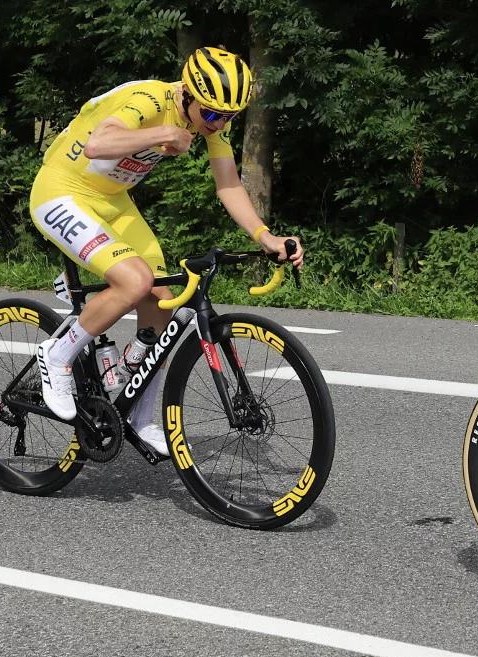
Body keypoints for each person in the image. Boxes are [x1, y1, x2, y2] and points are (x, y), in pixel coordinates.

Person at [30, 46, 304, 456]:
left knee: (164, 298)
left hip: (112, 201)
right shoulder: (150, 100)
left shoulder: (212, 123)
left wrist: (264, 237)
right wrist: (161, 134)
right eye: (212, 114)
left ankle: (141, 416)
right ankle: (57, 353)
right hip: (62, 192)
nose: (219, 123)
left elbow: (228, 184)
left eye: (229, 117)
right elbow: (97, 144)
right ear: (188, 95)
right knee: (135, 279)